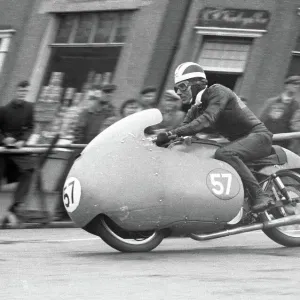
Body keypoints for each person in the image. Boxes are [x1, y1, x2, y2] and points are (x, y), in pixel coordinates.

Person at [156, 62, 273, 212]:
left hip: (258, 136)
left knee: (224, 153)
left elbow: (206, 119)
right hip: (240, 142)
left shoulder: (218, 92)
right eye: (176, 88)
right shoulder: (195, 109)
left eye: (182, 86)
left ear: (199, 83)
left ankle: (260, 195)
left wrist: (174, 133)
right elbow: (182, 129)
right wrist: (162, 139)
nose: (178, 92)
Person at [0, 80, 35, 227]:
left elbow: (30, 127)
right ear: (16, 91)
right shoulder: (4, 109)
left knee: (29, 171)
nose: (22, 94)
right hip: (3, 151)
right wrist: (4, 139)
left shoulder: (29, 108)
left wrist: (23, 140)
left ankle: (15, 208)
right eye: (20, 91)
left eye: (25, 92)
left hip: (19, 150)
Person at [258, 75, 300, 149]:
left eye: (298, 84)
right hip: (266, 140)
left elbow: (295, 125)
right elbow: (261, 118)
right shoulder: (271, 102)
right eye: (294, 84)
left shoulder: (297, 105)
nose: (297, 86)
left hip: (283, 144)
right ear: (287, 85)